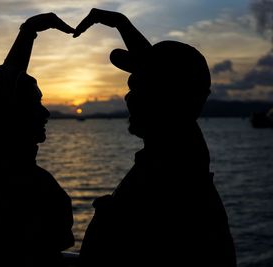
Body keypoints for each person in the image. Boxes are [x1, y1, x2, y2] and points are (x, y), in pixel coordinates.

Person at [75, 9, 237, 267]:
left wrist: (123, 25)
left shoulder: (177, 170)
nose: (128, 97)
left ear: (167, 98)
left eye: (139, 87)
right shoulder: (172, 156)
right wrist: (122, 25)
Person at [0, 13, 75, 267]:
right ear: (11, 116)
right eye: (36, 103)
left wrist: (28, 32)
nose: (46, 113)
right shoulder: (36, 187)